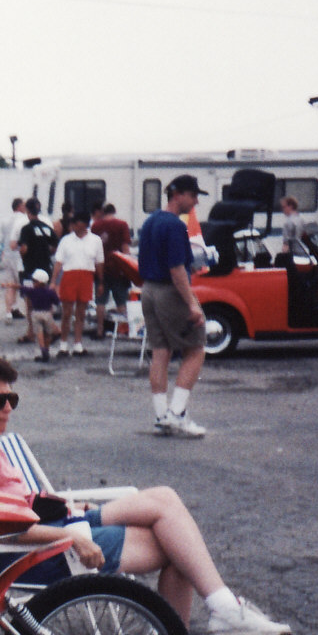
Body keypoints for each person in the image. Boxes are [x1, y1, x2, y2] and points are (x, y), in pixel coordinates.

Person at [0, 351, 291, 635]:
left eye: (11, 399)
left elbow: (21, 505)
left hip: (61, 523)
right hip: (42, 552)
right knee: (177, 545)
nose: (7, 408)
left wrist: (71, 505)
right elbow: (5, 528)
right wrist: (75, 540)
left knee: (166, 500)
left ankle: (208, 625)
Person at [137, 175, 210, 438]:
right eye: (193, 195)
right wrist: (191, 303)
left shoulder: (151, 221)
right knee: (196, 347)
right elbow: (177, 268)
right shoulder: (176, 226)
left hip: (148, 290)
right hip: (170, 291)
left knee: (160, 351)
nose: (196, 201)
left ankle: (161, 416)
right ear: (178, 194)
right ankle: (177, 414)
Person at [53, 213, 102, 356]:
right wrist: (53, 281)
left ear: (85, 225)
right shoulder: (66, 240)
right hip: (69, 275)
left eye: (77, 225)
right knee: (66, 313)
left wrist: (100, 282)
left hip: (86, 276)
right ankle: (63, 345)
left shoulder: (96, 240)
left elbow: (99, 262)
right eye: (73, 225)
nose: (74, 228)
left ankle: (78, 345)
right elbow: (58, 262)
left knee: (81, 313)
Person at [17, 199, 56, 345]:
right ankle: (48, 330)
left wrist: (23, 256)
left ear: (27, 211)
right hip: (46, 269)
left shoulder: (26, 229)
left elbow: (24, 248)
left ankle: (31, 332)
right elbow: (54, 245)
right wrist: (45, 253)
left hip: (31, 270)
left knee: (30, 302)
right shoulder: (46, 227)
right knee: (46, 301)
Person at [90, 203, 132, 340]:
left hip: (100, 268)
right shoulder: (122, 225)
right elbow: (125, 248)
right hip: (118, 268)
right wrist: (128, 267)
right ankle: (126, 328)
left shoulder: (96, 226)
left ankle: (100, 330)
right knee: (121, 301)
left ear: (103, 212)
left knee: (100, 301)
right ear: (114, 211)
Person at [20, 269, 60, 362]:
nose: (33, 282)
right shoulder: (50, 292)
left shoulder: (32, 291)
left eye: (34, 281)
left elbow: (22, 288)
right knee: (48, 333)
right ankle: (47, 349)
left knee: (39, 332)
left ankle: (43, 350)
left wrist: (9, 285)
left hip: (36, 313)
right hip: (47, 314)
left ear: (38, 282)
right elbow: (57, 302)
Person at [0, 198, 26, 323]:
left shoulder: (5, 220)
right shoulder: (23, 219)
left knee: (10, 284)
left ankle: (9, 311)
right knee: (24, 284)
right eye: (24, 205)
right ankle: (30, 309)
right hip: (18, 255)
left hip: (7, 255)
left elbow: (3, 237)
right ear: (20, 206)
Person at [278, 195, 311, 261]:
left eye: (284, 207)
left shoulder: (288, 223)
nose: (282, 210)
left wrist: (283, 258)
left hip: (294, 255)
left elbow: (286, 244)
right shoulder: (303, 220)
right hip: (305, 253)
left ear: (290, 206)